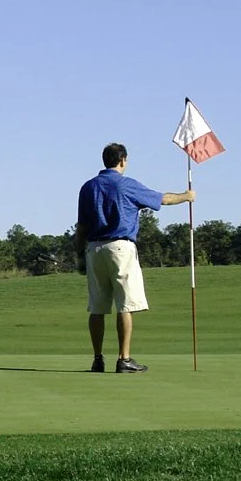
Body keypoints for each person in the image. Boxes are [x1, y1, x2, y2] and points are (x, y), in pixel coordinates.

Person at [77, 142, 194, 373]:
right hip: (120, 248)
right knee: (125, 305)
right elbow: (163, 199)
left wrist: (80, 255)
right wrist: (187, 196)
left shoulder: (88, 187)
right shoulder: (126, 185)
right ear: (122, 160)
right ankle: (124, 359)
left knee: (97, 308)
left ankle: (98, 359)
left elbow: (81, 226)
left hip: (94, 248)